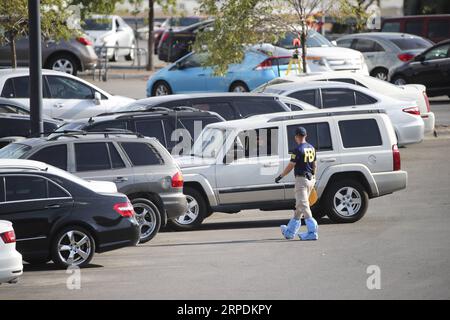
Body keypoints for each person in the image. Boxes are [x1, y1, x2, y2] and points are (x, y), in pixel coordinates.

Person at [275, 127, 318, 240]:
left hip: (301, 180)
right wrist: (313, 177)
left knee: (303, 205)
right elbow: (314, 165)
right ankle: (290, 231)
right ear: (305, 135)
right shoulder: (311, 148)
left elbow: (291, 165)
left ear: (296, 137)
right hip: (310, 179)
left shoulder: (298, 149)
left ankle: (312, 232)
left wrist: (281, 176)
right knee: (299, 206)